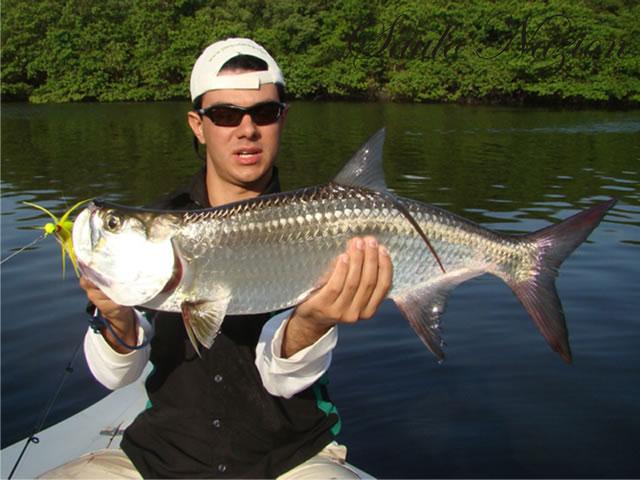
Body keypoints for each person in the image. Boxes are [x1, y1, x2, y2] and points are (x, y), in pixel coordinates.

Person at [51, 38, 393, 479]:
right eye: (226, 115)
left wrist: (311, 323)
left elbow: (283, 380)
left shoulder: (322, 225)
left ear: (282, 119)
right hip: (160, 457)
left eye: (264, 113)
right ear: (198, 125)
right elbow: (116, 376)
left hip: (290, 458)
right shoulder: (158, 227)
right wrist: (116, 319)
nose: (246, 129)